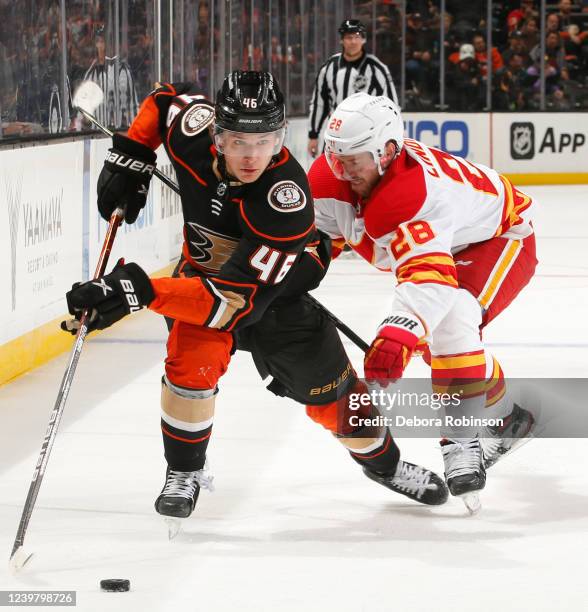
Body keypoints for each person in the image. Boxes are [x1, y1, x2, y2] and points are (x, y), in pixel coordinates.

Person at [61, 71, 448, 523]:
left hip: (269, 295)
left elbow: (230, 303)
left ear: (281, 136)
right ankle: (185, 471)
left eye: (265, 140)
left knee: (335, 397)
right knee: (191, 367)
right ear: (216, 134)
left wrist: (141, 290)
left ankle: (386, 465)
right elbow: (163, 102)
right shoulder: (191, 130)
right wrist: (132, 154)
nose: (251, 155)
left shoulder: (286, 200)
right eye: (239, 141)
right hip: (201, 279)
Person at [307, 92, 537, 506]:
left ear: (388, 152)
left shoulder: (414, 192)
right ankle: (509, 420)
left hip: (496, 237)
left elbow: (429, 277)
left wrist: (397, 333)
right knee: (446, 353)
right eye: (334, 156)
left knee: (452, 321)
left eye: (352, 160)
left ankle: (462, 442)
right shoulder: (329, 177)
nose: (340, 169)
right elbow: (319, 237)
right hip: (448, 242)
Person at [307, 19, 398, 159]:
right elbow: (320, 103)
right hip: (334, 136)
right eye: (349, 37)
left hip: (365, 137)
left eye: (357, 37)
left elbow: (391, 105)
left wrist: (394, 136)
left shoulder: (377, 69)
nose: (353, 41)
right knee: (329, 177)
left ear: (363, 40)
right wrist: (313, 135)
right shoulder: (329, 67)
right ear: (342, 40)